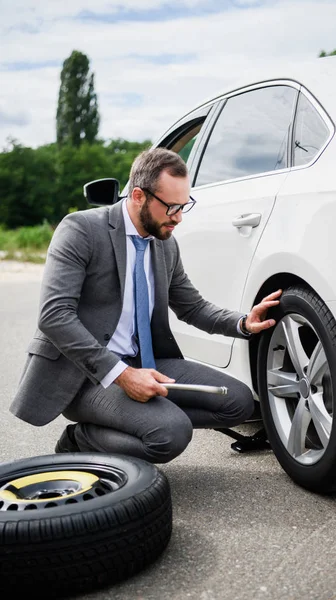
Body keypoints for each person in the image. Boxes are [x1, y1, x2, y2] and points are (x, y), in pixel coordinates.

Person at [10, 148, 281, 463]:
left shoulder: (165, 244)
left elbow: (192, 307)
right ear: (138, 196)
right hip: (84, 374)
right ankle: (81, 438)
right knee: (171, 434)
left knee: (239, 402)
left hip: (144, 362)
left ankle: (136, 420)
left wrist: (244, 322)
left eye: (184, 206)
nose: (179, 217)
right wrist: (122, 375)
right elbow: (54, 317)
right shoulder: (81, 230)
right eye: (172, 207)